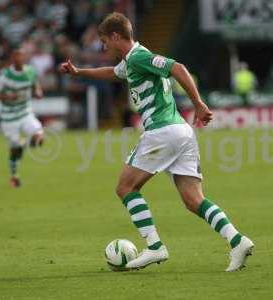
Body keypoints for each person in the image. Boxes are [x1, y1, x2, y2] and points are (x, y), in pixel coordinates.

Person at [59, 12, 254, 272]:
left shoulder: (139, 56)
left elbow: (177, 68)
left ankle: (154, 247)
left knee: (125, 187)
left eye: (105, 41)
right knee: (193, 200)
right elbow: (113, 73)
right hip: (181, 133)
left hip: (162, 132)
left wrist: (198, 103)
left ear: (116, 36)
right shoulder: (131, 62)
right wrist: (80, 71)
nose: (103, 46)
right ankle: (237, 240)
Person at [0, 47, 44, 188]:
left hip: (25, 112)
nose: (19, 59)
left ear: (24, 57)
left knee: (39, 136)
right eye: (16, 56)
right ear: (12, 59)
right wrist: (7, 96)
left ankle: (28, 143)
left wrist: (37, 91)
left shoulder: (30, 71)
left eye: (21, 56)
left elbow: (35, 83)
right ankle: (14, 176)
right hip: (9, 117)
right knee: (15, 148)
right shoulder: (5, 75)